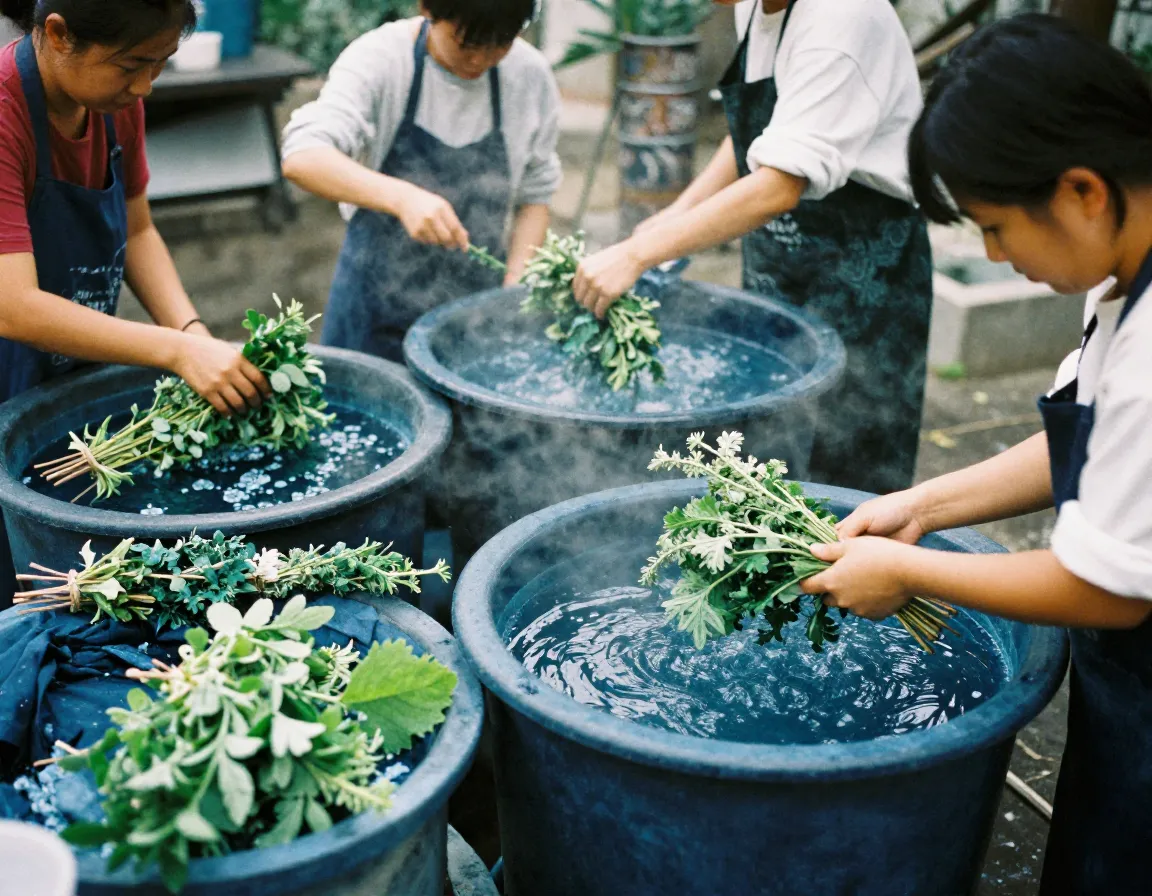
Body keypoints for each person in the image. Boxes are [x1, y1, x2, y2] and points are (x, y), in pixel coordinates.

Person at [798, 15, 1152, 895]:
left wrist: (911, 573)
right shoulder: (1121, 275)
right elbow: (1096, 443)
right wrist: (925, 508)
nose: (995, 255)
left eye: (995, 227)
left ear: (1082, 192)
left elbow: (1107, 588)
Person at [572, 0, 932, 495]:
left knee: (845, 473)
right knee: (767, 449)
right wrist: (676, 215)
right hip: (779, 263)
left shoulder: (841, 18)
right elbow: (762, 138)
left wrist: (637, 255)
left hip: (863, 277)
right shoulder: (756, 9)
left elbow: (778, 186)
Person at [0, 0, 269, 602]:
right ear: (59, 34)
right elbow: (13, 305)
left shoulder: (113, 107)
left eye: (160, 63)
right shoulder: (4, 113)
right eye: (132, 64)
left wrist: (194, 332)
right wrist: (175, 352)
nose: (145, 86)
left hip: (68, 371)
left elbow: (139, 229)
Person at [281, 0, 562, 363]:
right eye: (467, 43)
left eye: (500, 43)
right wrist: (402, 198)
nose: (481, 59)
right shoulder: (380, 58)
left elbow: (535, 196)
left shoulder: (529, 75)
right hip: (373, 312)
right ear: (428, 8)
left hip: (474, 316)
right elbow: (302, 156)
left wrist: (516, 290)